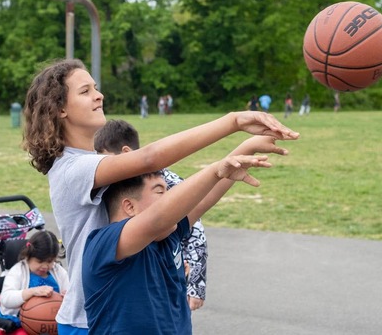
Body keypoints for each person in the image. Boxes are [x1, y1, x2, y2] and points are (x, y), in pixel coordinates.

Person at [22, 58, 299, 334]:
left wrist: (241, 152)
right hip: (94, 317)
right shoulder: (71, 169)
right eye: (85, 91)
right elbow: (151, 160)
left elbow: (179, 208)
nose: (99, 95)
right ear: (59, 109)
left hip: (135, 298)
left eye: (96, 87)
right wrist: (234, 121)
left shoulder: (100, 161)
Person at [82, 149, 277, 334]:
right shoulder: (105, 243)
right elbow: (158, 218)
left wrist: (251, 145)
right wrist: (215, 171)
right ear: (129, 206)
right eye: (160, 192)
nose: (171, 200)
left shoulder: (168, 235)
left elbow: (205, 197)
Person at [94, 119, 208, 311]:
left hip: (169, 269)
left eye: (105, 159)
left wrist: (196, 286)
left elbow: (195, 230)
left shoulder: (165, 182)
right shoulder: (111, 185)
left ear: (125, 154)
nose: (100, 165)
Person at [0, 231, 69, 331]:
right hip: (22, 322)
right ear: (28, 256)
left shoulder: (59, 272)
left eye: (49, 261)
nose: (45, 266)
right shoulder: (18, 271)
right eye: (40, 261)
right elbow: (5, 299)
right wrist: (32, 291)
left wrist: (68, 296)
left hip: (54, 323)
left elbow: (72, 293)